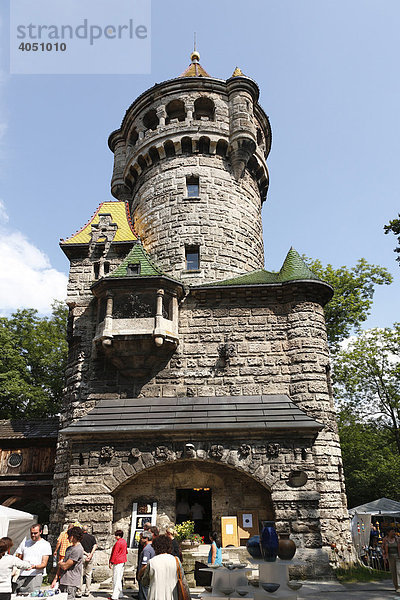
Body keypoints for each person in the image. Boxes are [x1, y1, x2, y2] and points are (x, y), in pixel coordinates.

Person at [141, 534, 189, 600]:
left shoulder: (152, 562)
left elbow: (145, 582)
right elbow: (183, 581)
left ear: (155, 547)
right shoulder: (176, 560)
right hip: (172, 596)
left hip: (155, 596)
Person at [15, 523, 52, 594]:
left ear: (40, 532)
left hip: (35, 576)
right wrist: (22, 563)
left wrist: (33, 566)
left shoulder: (45, 544)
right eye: (31, 533)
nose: (33, 535)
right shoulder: (25, 543)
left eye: (35, 533)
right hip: (21, 575)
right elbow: (18, 558)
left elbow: (44, 564)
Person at [52, 526, 84, 600]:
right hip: (63, 580)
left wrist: (60, 563)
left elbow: (65, 566)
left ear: (72, 537)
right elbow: (62, 565)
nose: (67, 538)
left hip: (71, 582)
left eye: (69, 536)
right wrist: (55, 579)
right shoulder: (69, 548)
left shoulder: (78, 549)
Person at [78, 525, 97, 597]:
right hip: (90, 555)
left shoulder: (80, 538)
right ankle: (87, 591)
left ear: (82, 530)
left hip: (82, 555)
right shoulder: (92, 537)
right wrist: (90, 554)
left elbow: (79, 547)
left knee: (80, 574)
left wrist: (85, 554)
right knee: (88, 574)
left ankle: (79, 592)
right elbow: (95, 546)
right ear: (87, 530)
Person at [109, 530, 127, 600]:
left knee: (116, 579)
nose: (115, 536)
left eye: (116, 535)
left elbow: (115, 553)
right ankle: (120, 594)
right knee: (119, 578)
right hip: (122, 560)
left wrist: (111, 561)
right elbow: (126, 551)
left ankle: (115, 596)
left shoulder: (118, 543)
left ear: (118, 536)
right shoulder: (124, 542)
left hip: (117, 561)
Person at [137, 531, 154, 600]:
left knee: (144, 595)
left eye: (141, 538)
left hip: (145, 575)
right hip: (151, 574)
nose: (140, 540)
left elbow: (145, 565)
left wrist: (139, 574)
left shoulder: (146, 549)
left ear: (146, 538)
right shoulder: (154, 547)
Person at [382, 527, 400, 592]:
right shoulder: (385, 540)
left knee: (398, 571)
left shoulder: (397, 539)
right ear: (388, 532)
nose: (394, 533)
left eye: (394, 531)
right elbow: (383, 549)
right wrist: (384, 558)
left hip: (398, 556)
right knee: (393, 572)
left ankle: (399, 585)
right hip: (390, 557)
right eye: (392, 531)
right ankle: (396, 586)